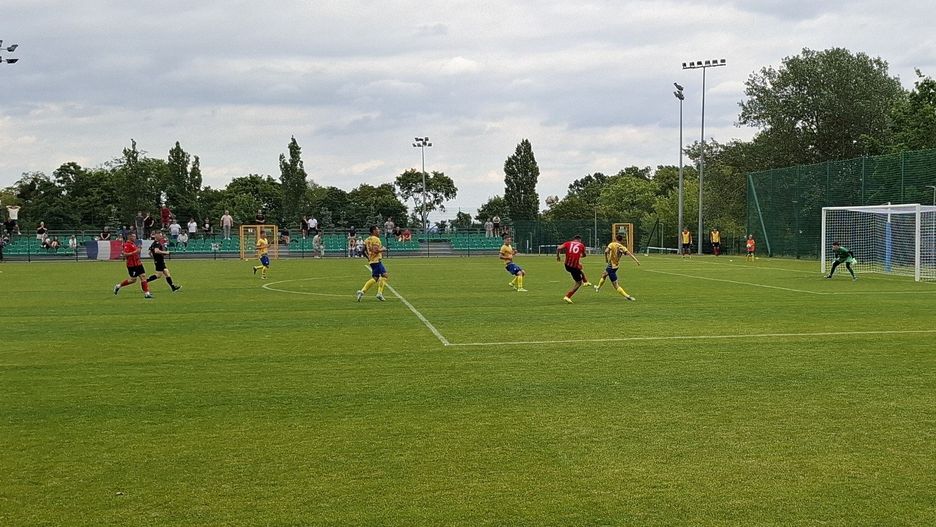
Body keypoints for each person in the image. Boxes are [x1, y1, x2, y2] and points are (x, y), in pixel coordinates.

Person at [595, 234, 639, 300]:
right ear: (621, 240)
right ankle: (598, 287)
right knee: (604, 275)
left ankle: (627, 296)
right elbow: (630, 254)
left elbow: (606, 251)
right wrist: (637, 261)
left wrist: (606, 259)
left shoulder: (612, 244)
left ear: (615, 238)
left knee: (616, 285)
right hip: (616, 266)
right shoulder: (622, 247)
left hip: (611, 267)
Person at [113, 232, 152, 298]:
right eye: (133, 236)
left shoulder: (133, 244)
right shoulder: (127, 245)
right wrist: (135, 251)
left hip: (138, 263)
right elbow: (125, 254)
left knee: (143, 276)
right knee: (133, 280)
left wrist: (138, 250)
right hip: (132, 265)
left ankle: (147, 293)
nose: (135, 238)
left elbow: (136, 252)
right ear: (129, 237)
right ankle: (118, 286)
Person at [356, 225, 388, 302]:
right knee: (384, 275)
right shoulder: (376, 239)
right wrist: (383, 249)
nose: (379, 231)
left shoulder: (367, 239)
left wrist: (368, 258)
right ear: (374, 231)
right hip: (376, 260)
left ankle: (362, 292)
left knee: (376, 278)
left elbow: (363, 250)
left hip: (372, 261)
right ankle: (378, 293)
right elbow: (375, 251)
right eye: (377, 229)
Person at [557, 234, 590, 304]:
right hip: (574, 267)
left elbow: (558, 248)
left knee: (580, 266)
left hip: (567, 265)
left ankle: (586, 281)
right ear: (579, 240)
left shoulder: (568, 243)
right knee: (578, 283)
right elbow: (584, 255)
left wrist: (558, 256)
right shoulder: (581, 245)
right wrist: (580, 255)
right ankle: (568, 296)